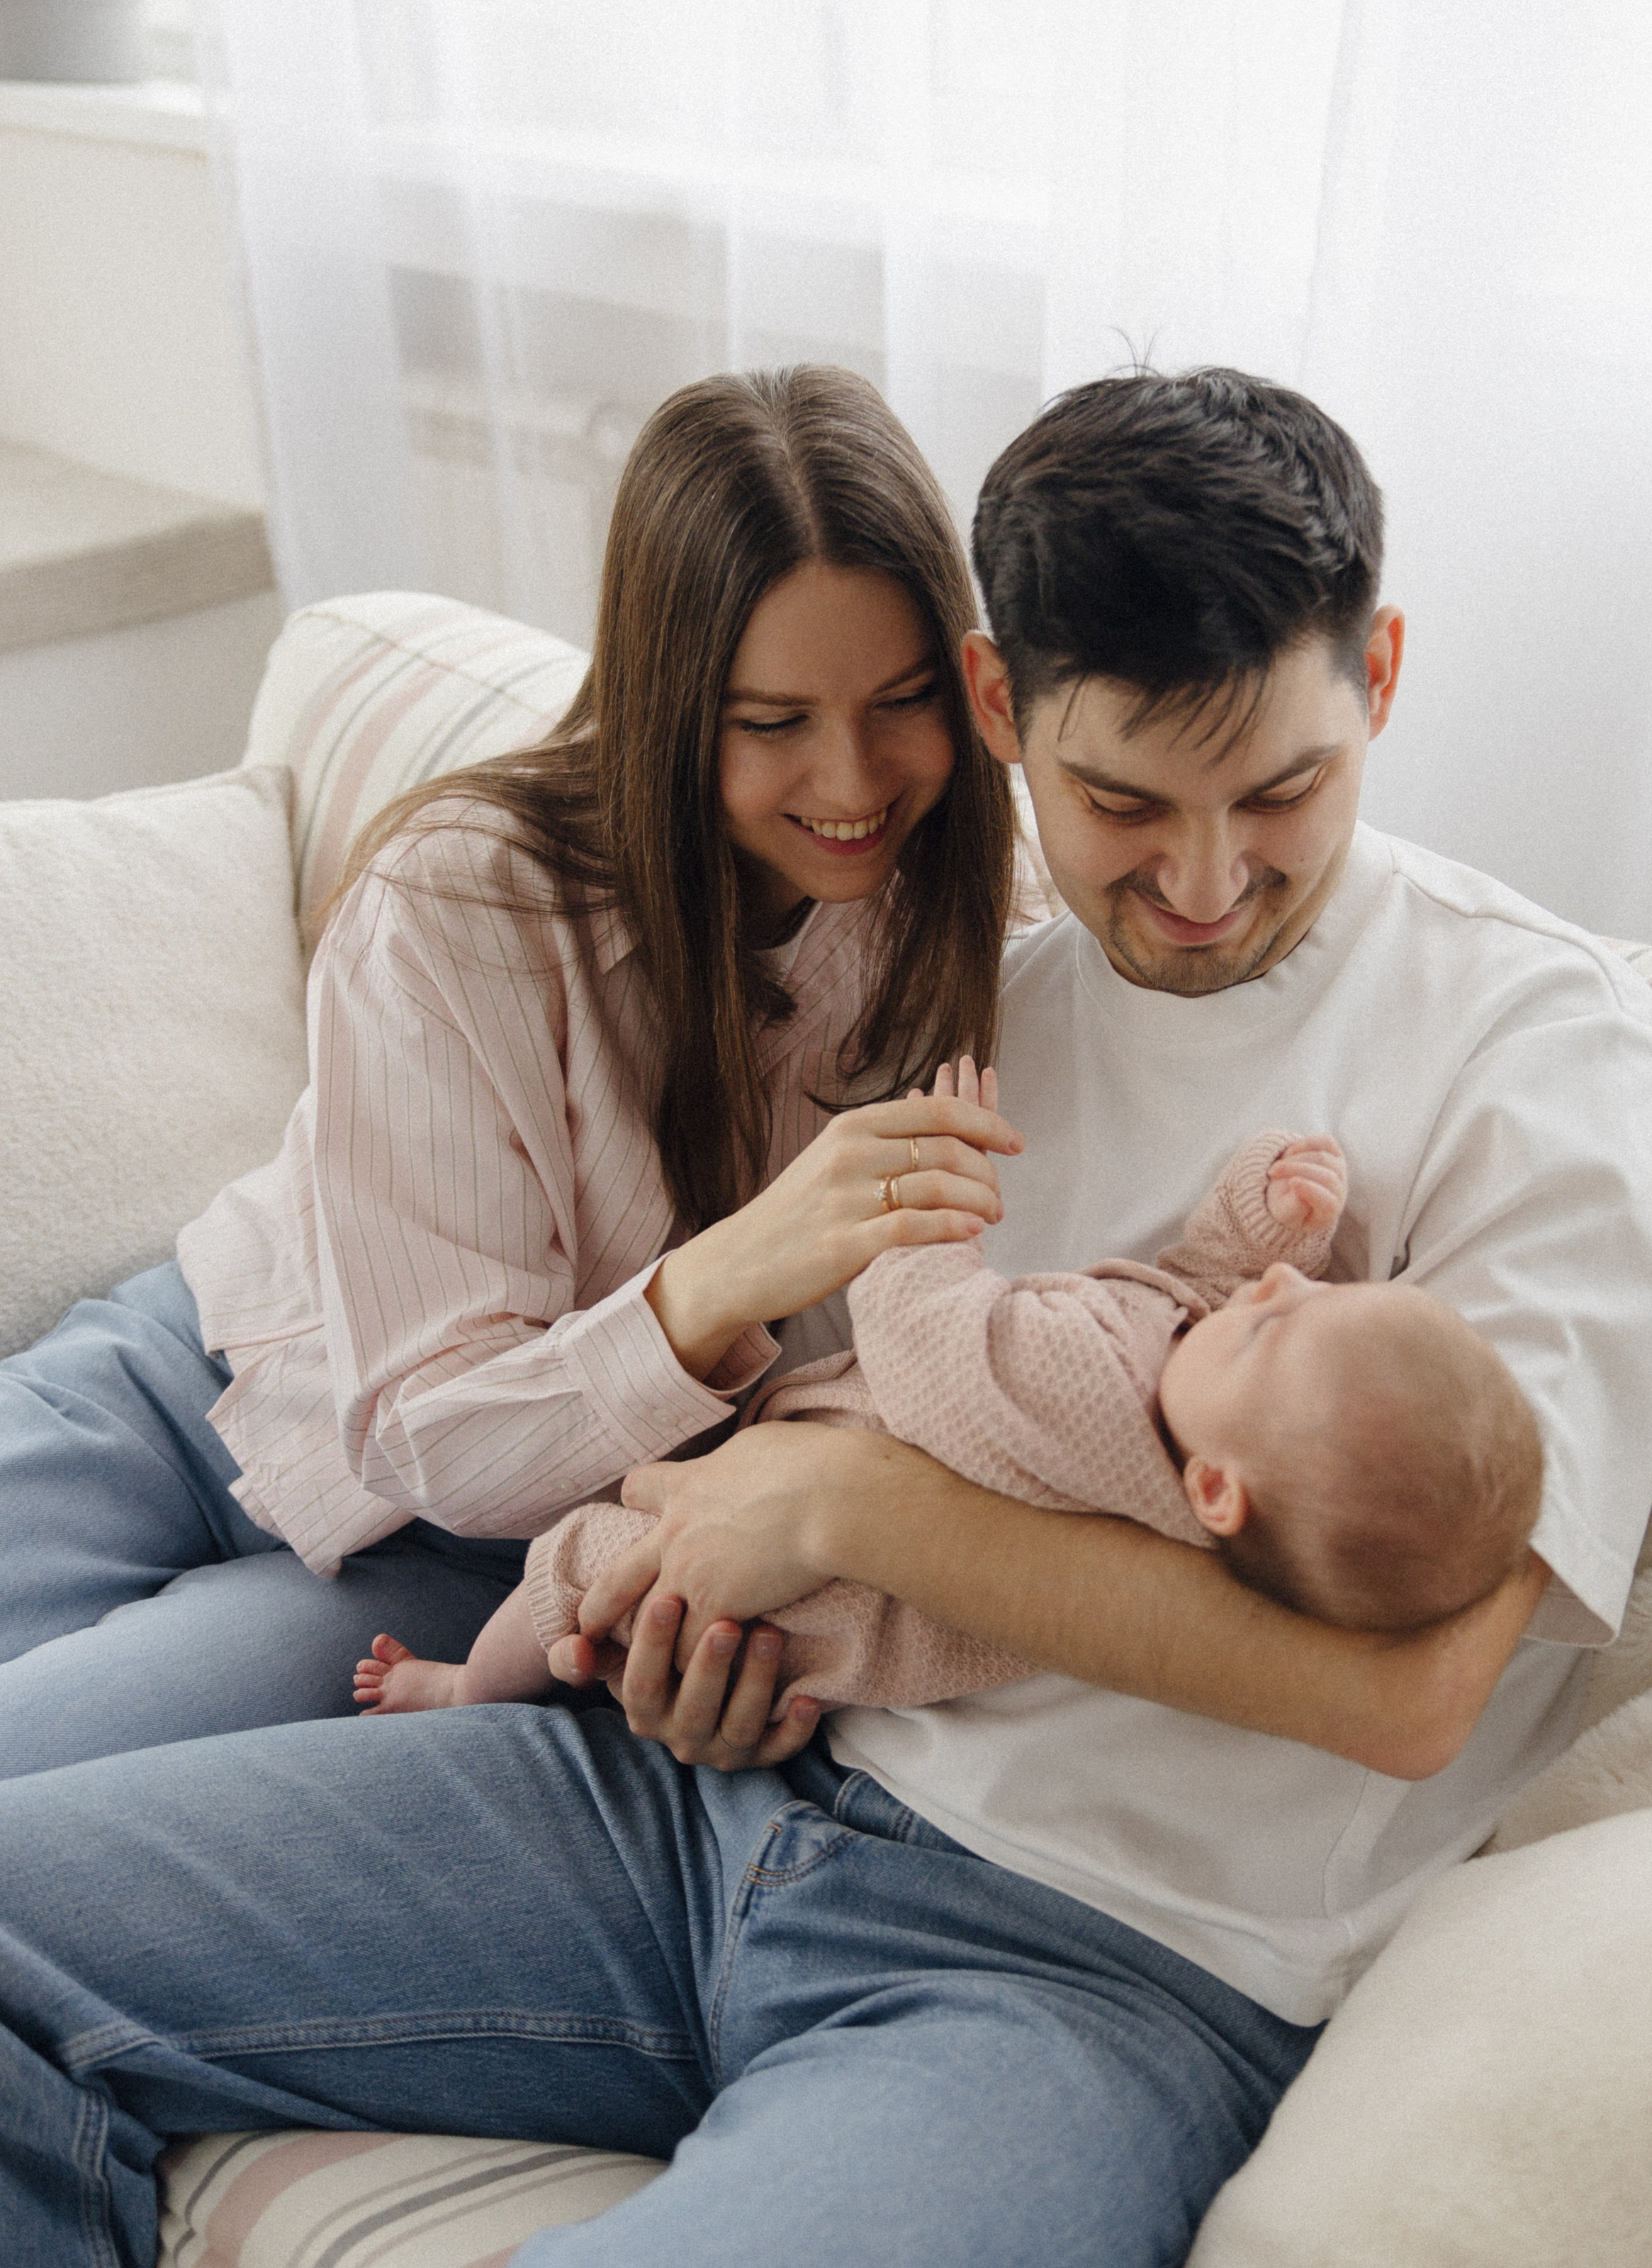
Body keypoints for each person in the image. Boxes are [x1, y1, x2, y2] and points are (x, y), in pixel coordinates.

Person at [0, 367, 1652, 2268]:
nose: (1208, 886)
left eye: (1285, 791)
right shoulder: (964, 983)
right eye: (1126, 802)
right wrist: (679, 1620)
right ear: (998, 712)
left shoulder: (1541, 1050)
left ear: (1379, 672)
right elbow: (761, 1424)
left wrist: (844, 1525)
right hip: (683, 1798)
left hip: (1080, 1969)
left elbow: (1415, 1692)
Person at [0, 364, 1019, 1779]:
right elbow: (417, 1402)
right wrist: (733, 1270)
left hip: (448, 1574)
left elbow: (465, 1477)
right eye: (770, 719)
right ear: (670, 705)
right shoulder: (463, 897)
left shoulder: (995, 943)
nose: (850, 781)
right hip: (205, 1374)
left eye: (900, 701)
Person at [352, 1095, 1540, 1719]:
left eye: (1283, 1319)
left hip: (802, 1594)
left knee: (576, 1564)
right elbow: (1202, 1282)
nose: (1281, 1289)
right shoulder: (1204, 1432)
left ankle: (468, 1687)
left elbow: (929, 1349)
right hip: (789, 1527)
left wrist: (933, 1219)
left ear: (1221, 1491)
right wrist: (1273, 1220)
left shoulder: (1089, 1398)